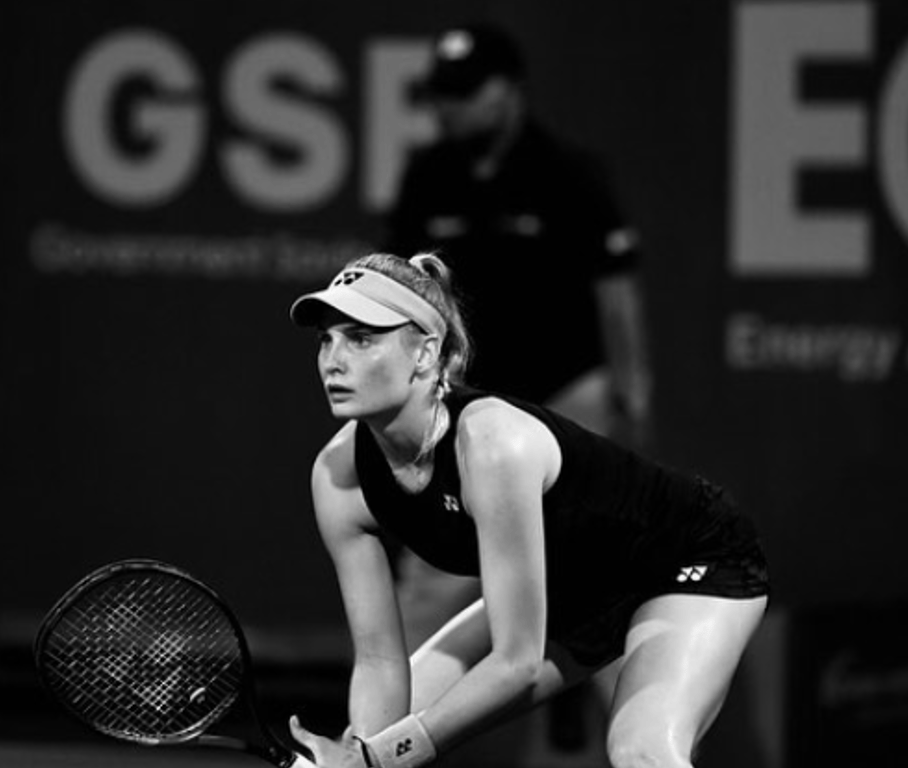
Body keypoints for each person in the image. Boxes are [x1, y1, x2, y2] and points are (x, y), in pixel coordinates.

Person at [284, 253, 769, 768]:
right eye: (326, 340)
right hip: (570, 587)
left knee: (640, 752)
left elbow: (517, 665)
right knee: (383, 727)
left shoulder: (493, 444)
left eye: (361, 339)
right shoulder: (338, 475)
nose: (334, 360)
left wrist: (383, 757)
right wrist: (361, 754)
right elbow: (380, 661)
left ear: (425, 354)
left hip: (686, 559)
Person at [383, 23, 658, 754]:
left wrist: (632, 398)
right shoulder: (426, 176)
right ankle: (381, 748)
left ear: (510, 92)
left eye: (467, 92)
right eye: (442, 94)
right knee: (430, 597)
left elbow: (617, 296)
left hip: (566, 406)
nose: (450, 108)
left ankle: (641, 746)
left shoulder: (570, 172)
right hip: (463, 416)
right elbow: (397, 298)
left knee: (599, 594)